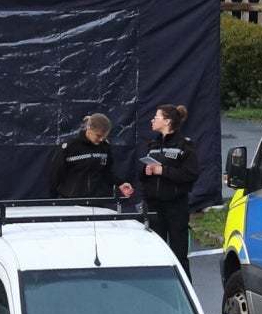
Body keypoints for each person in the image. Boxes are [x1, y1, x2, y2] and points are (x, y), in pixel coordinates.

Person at [126, 103, 197, 263]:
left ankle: (183, 286)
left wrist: (162, 171)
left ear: (167, 121)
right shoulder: (153, 145)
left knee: (179, 255)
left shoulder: (184, 145)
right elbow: (142, 175)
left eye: (156, 117)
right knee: (156, 254)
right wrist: (146, 171)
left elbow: (190, 174)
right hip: (154, 207)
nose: (152, 120)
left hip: (175, 206)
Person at [48, 114, 117, 200]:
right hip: (71, 201)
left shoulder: (105, 147)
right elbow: (56, 174)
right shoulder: (70, 147)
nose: (101, 139)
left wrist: (120, 183)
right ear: (89, 129)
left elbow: (107, 172)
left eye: (104, 136)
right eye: (98, 136)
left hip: (98, 201)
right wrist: (54, 198)